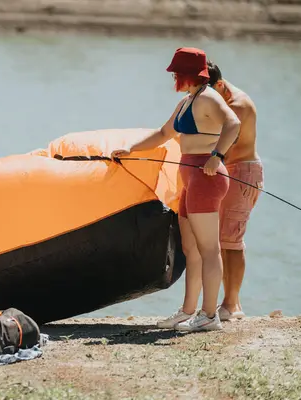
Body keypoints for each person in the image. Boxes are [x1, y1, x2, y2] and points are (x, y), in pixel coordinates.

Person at [111, 47, 241, 332]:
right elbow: (163, 133)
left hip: (207, 177)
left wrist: (216, 156)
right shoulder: (187, 101)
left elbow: (233, 124)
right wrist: (130, 149)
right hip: (191, 178)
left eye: (176, 73)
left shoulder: (209, 97)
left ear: (190, 75)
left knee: (209, 249)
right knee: (190, 249)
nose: (173, 79)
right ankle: (188, 311)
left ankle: (209, 316)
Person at [207, 60, 264, 321]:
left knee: (232, 240)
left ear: (219, 85)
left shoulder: (236, 107)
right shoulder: (220, 100)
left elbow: (223, 147)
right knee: (222, 240)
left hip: (242, 172)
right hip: (229, 172)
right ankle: (231, 304)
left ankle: (231, 305)